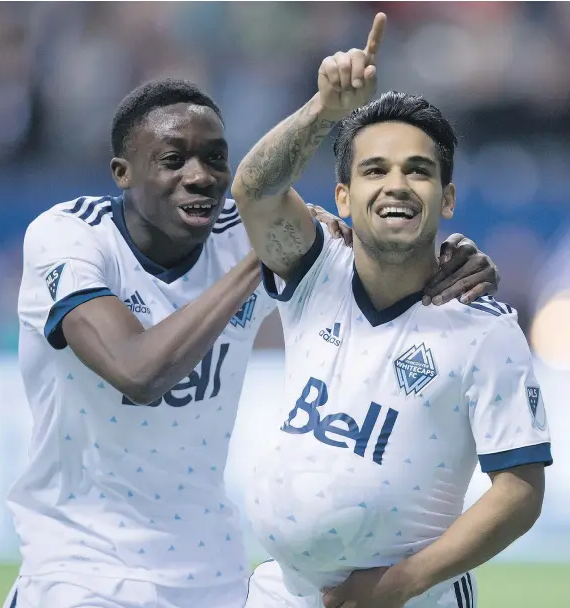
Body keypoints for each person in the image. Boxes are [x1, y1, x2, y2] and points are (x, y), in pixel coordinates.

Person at [5, 75, 499, 608]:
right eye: (173, 160)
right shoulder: (70, 238)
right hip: (79, 567)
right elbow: (137, 370)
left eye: (215, 159)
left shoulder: (243, 232)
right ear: (122, 173)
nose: (200, 177)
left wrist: (451, 257)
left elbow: (378, 263)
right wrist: (258, 263)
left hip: (210, 571)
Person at [233, 13, 552, 608]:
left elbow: (520, 491)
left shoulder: (484, 329)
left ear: (448, 198)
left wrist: (399, 585)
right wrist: (324, 110)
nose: (397, 184)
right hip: (282, 592)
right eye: (374, 170)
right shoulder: (312, 273)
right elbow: (254, 189)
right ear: (344, 197)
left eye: (419, 171)